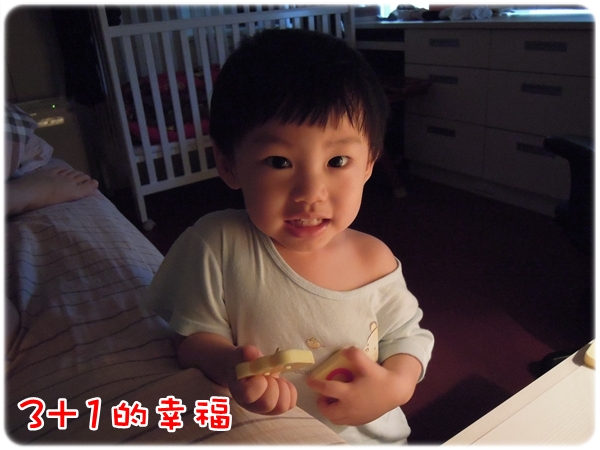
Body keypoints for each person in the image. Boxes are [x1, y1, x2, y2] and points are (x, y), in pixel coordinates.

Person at [144, 28, 434, 445]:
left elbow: (408, 336)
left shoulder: (375, 259)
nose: (311, 193)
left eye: (338, 160)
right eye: (279, 161)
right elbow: (191, 339)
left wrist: (397, 386)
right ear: (229, 164)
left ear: (370, 162)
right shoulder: (218, 244)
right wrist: (232, 366)